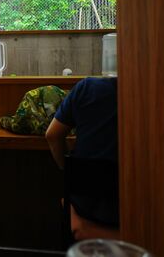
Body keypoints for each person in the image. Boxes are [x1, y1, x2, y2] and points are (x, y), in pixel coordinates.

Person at [45, 76, 119, 227]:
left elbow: (52, 135)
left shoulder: (87, 88)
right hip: (136, 204)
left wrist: (67, 170)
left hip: (85, 204)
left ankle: (83, 228)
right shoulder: (150, 93)